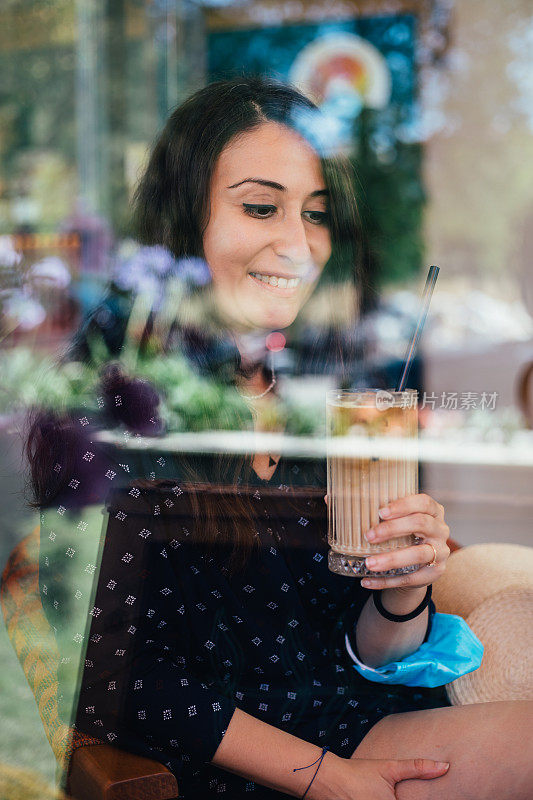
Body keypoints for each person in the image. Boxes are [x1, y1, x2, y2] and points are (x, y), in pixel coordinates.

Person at [28, 77, 532, 800]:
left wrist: (398, 592)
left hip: (349, 720)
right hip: (222, 763)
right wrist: (328, 779)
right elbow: (117, 674)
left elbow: (353, 650)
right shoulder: (108, 407)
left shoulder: (311, 403)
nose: (297, 244)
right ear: (180, 218)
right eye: (260, 207)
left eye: (317, 214)